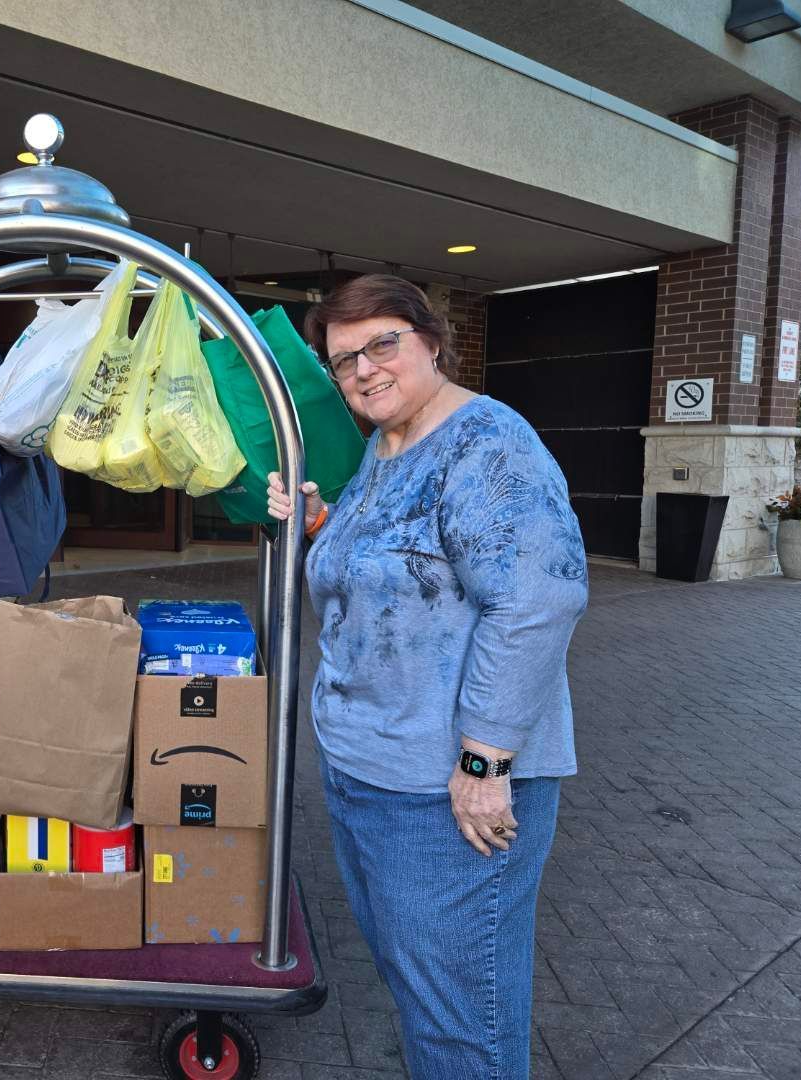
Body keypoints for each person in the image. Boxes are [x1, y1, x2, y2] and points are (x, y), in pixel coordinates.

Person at [267, 275, 587, 1079]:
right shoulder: (384, 449)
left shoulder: (488, 445)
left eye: (383, 343)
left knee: (460, 1021)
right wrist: (317, 526)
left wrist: (484, 763)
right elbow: (392, 568)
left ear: (430, 341)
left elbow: (537, 600)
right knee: (424, 993)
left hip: (443, 797)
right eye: (343, 361)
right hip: (368, 774)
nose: (365, 370)